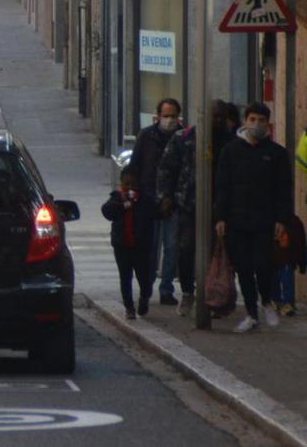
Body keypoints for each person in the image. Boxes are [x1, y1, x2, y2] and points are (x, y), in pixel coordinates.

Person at [214, 102, 295, 333]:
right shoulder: (231, 151)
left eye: (261, 120)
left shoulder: (276, 154)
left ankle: (267, 300)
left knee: (263, 264)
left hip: (264, 220)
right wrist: (220, 217)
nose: (256, 125)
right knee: (244, 267)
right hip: (236, 220)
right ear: (245, 121)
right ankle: (251, 313)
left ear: (267, 123)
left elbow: (283, 189)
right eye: (252, 120)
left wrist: (282, 219)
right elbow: (223, 186)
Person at [156, 99, 239, 317]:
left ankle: (216, 297)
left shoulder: (230, 143)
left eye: (222, 117)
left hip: (221, 209)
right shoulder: (184, 139)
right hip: (189, 205)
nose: (218, 121)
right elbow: (167, 168)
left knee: (218, 254)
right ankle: (187, 292)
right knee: (185, 249)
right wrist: (166, 197)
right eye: (214, 116)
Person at [130, 98, 183, 308]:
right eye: (165, 115)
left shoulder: (182, 138)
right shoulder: (147, 136)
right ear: (158, 116)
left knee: (171, 248)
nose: (169, 120)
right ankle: (146, 287)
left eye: (173, 116)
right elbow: (136, 165)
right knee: (150, 248)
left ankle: (166, 289)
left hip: (172, 202)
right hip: (149, 201)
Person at [102, 165, 154, 319]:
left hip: (140, 246)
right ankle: (129, 307)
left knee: (144, 276)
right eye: (126, 185)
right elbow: (107, 211)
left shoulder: (145, 199)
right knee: (125, 277)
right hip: (122, 245)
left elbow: (155, 211)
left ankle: (144, 298)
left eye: (133, 185)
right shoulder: (117, 198)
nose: (130, 188)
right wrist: (122, 204)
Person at [272, 215, 306, 316]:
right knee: (277, 281)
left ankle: (286, 304)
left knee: (285, 280)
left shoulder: (293, 222)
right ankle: (281, 303)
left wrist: (301, 262)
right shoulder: (270, 219)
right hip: (276, 259)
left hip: (286, 259)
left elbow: (300, 243)